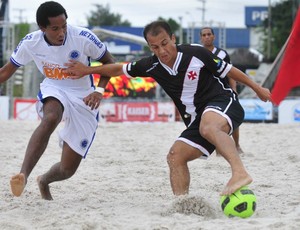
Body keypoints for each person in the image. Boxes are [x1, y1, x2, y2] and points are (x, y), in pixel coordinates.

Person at [65, 21, 272, 196]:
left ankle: (239, 172)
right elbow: (118, 68)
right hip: (198, 119)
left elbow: (230, 70)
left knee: (208, 126)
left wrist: (257, 88)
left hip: (224, 102)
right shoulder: (151, 65)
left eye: (165, 43)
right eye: (155, 47)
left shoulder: (196, 53)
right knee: (175, 156)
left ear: (173, 38)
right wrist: (87, 70)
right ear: (150, 47)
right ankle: (183, 205)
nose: (162, 51)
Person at [0, 1, 114, 200]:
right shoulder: (30, 42)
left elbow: (110, 63)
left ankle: (44, 181)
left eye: (64, 26)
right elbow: (6, 71)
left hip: (85, 97)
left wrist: (99, 90)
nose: (62, 32)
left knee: (67, 169)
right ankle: (23, 175)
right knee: (51, 117)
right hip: (55, 87)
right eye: (55, 28)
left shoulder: (83, 37)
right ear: (42, 28)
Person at [200, 27, 244, 154]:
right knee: (206, 121)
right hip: (205, 92)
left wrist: (234, 89)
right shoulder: (197, 53)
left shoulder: (223, 54)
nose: (207, 37)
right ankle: (216, 147)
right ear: (201, 38)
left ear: (214, 37)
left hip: (223, 91)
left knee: (231, 118)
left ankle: (236, 145)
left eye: (209, 34)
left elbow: (230, 73)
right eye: (204, 35)